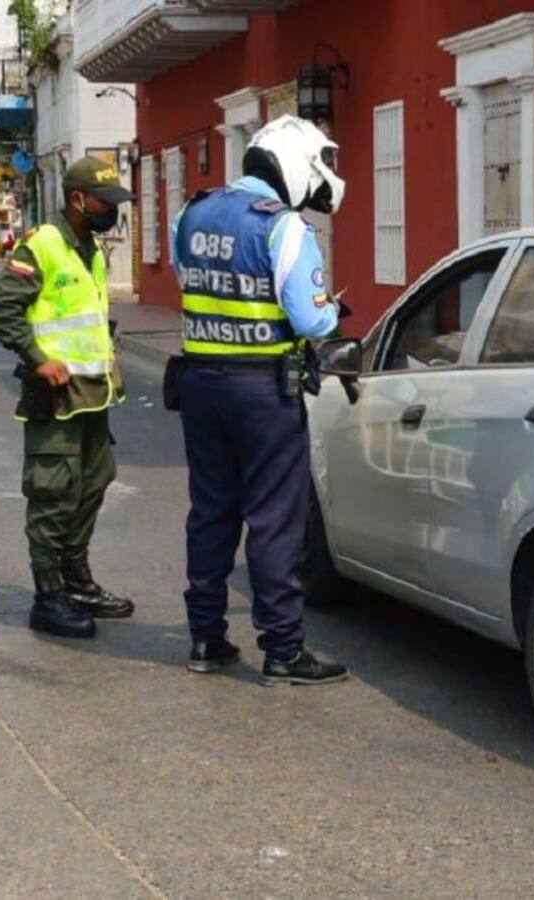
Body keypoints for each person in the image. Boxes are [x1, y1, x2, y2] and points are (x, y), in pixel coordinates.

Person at [170, 115, 349, 685]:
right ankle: (283, 649)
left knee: (212, 510)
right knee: (274, 517)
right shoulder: (284, 227)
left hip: (200, 384)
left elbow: (189, 282)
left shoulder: (190, 214)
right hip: (262, 389)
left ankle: (206, 637)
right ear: (295, 165)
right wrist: (331, 311)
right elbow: (310, 317)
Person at [0, 157, 136, 639]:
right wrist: (35, 357)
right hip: (55, 394)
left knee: (94, 481)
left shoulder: (88, 246)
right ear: (77, 200)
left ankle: (77, 580)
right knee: (52, 492)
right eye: (104, 202)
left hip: (91, 393)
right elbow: (0, 308)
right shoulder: (43, 245)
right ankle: (48, 597)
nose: (112, 210)